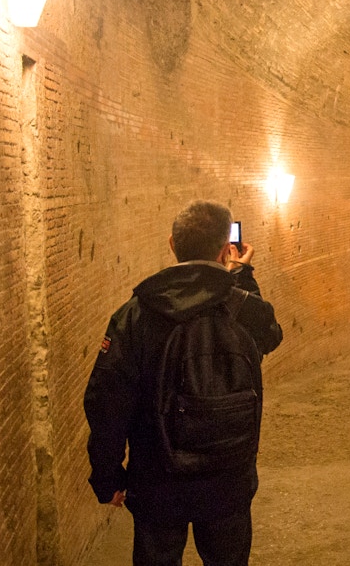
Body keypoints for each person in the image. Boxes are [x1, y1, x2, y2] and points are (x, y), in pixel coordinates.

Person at [84, 200, 283, 566]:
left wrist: (107, 475)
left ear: (172, 245)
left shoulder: (135, 315)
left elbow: (107, 400)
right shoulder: (245, 309)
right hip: (229, 480)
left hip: (157, 480)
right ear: (226, 250)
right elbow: (270, 335)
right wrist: (242, 274)